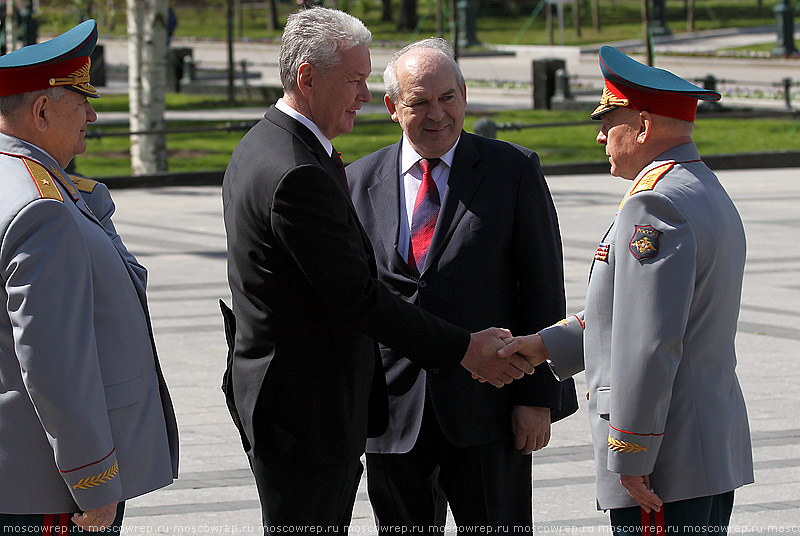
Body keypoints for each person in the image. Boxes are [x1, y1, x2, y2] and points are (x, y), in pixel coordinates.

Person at [221, 8, 533, 533]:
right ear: (307, 77)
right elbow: (359, 296)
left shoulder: (263, 145)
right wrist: (464, 348)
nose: (363, 95)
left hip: (296, 409)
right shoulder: (298, 170)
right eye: (355, 80)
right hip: (309, 416)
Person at [500, 46, 753, 534]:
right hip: (700, 448)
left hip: (663, 462)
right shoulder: (700, 187)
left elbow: (649, 341)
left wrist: (633, 452)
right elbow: (639, 313)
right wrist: (544, 345)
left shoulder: (654, 204)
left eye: (607, 120)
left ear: (641, 125)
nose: (599, 135)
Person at [346, 38, 578, 533]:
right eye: (419, 102)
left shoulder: (511, 170)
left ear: (465, 96)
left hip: (489, 409)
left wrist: (536, 398)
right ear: (391, 107)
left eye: (448, 97)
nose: (437, 114)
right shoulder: (356, 180)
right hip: (392, 415)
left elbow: (542, 289)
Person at [0, 20, 179, 533]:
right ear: (40, 110)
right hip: (46, 488)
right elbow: (55, 362)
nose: (92, 115)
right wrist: (94, 481)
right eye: (80, 100)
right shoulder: (41, 207)